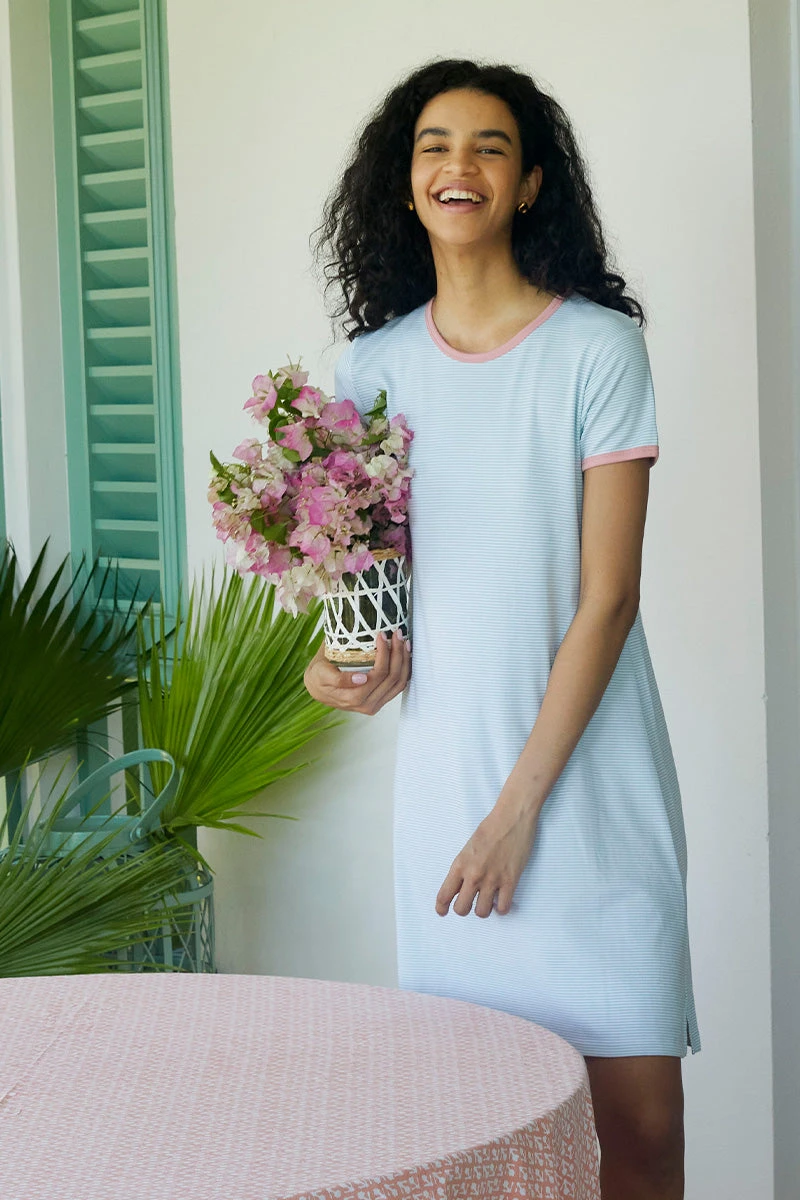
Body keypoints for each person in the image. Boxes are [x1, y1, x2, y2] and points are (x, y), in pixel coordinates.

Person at [305, 57, 701, 1200]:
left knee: (637, 1132)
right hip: (447, 797)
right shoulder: (368, 372)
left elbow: (608, 599)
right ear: (404, 182)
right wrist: (337, 669)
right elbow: (367, 595)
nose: (458, 165)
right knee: (480, 1135)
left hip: (584, 794)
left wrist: (517, 814)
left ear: (528, 184)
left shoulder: (594, 350)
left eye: (489, 146)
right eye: (433, 145)